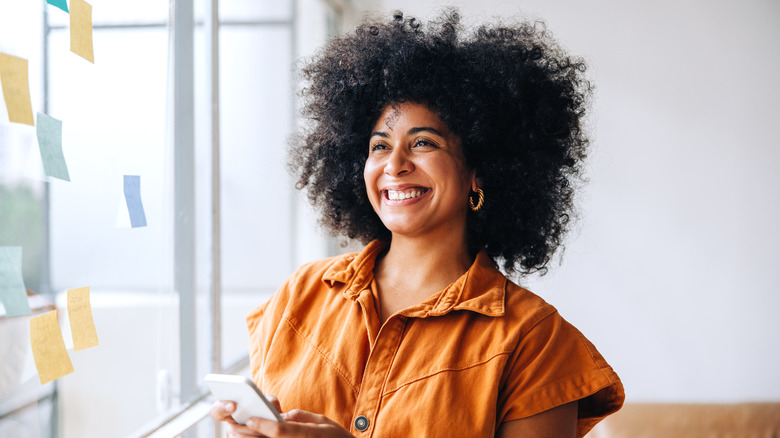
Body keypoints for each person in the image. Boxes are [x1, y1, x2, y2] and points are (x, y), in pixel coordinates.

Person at [211, 9, 624, 438]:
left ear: (479, 170)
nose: (395, 165)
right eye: (379, 145)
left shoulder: (534, 341)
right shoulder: (302, 294)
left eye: (423, 142)